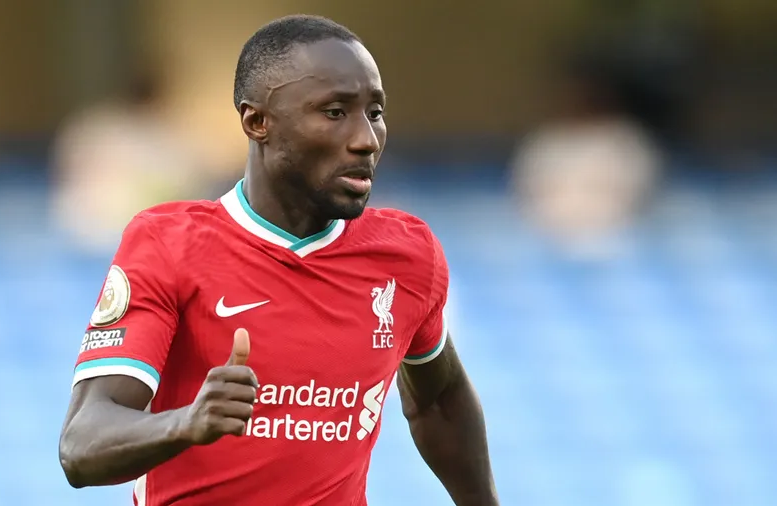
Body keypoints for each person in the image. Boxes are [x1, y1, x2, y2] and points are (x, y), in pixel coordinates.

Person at [59, 14, 498, 506]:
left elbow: (439, 402)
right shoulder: (169, 244)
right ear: (258, 122)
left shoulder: (406, 254)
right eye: (335, 112)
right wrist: (186, 422)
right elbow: (82, 445)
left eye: (374, 112)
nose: (366, 139)